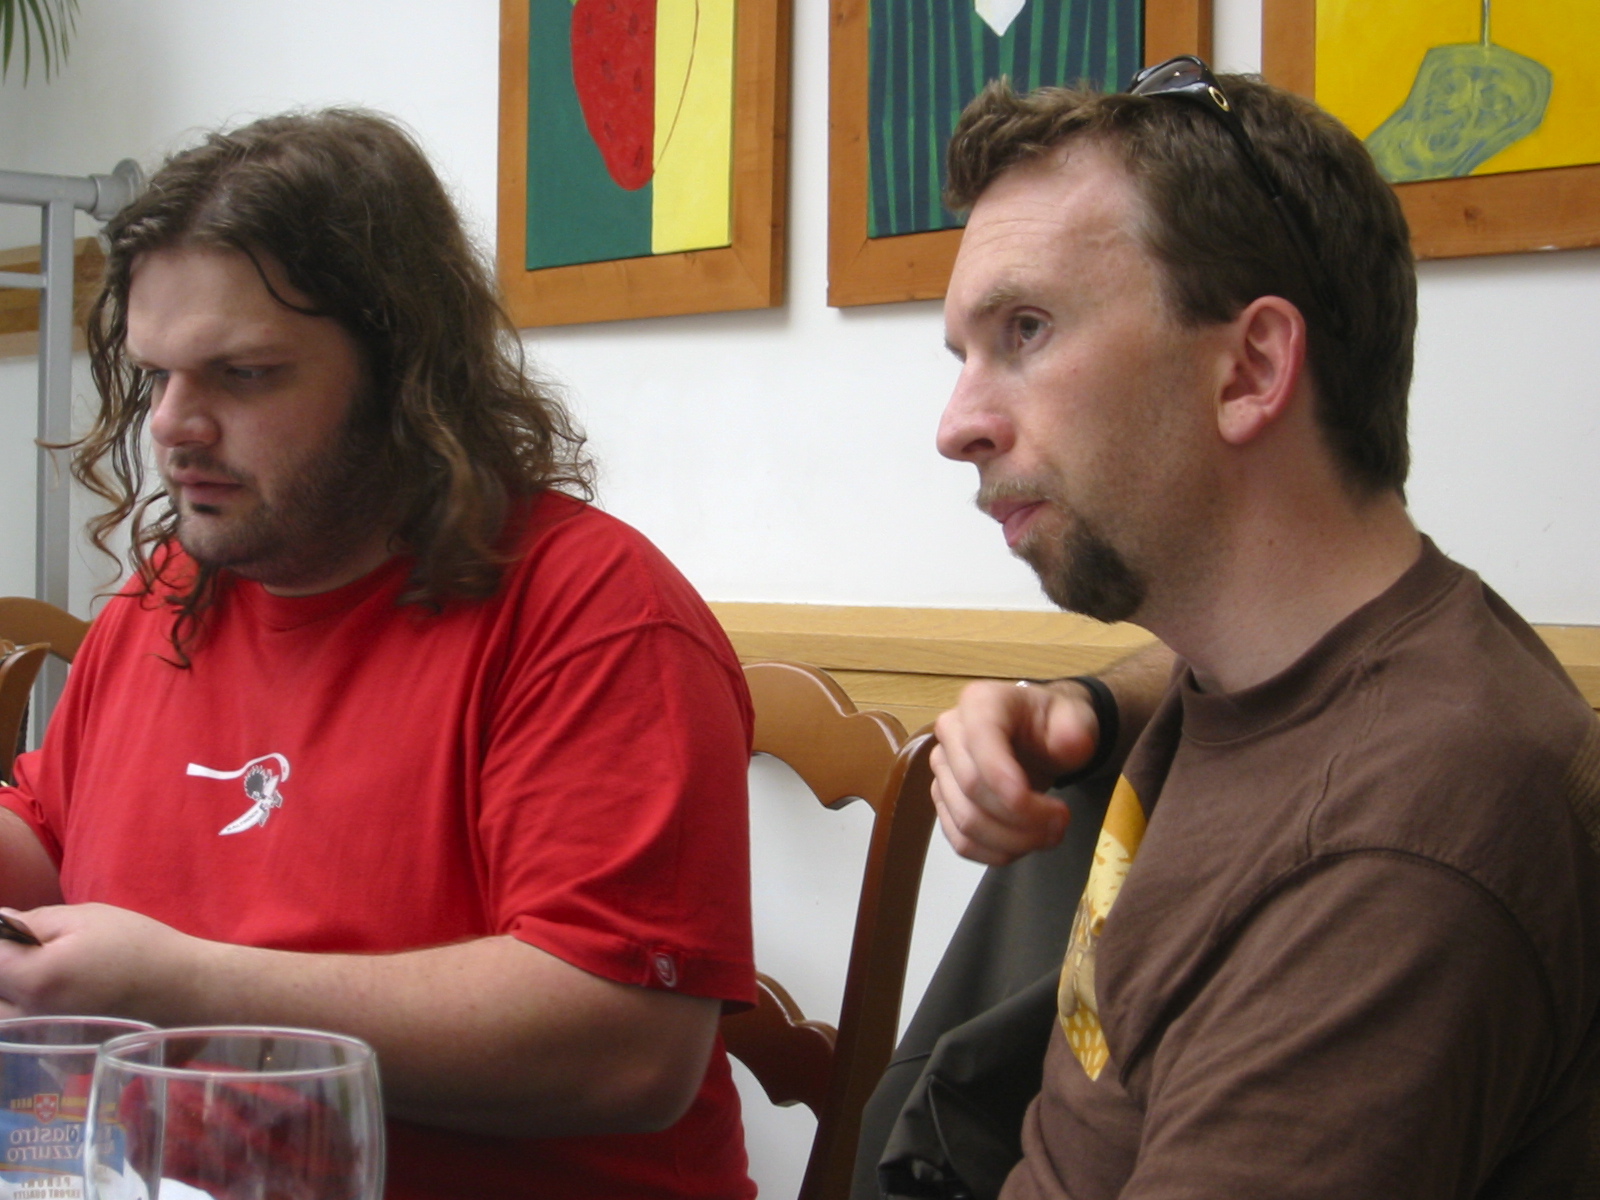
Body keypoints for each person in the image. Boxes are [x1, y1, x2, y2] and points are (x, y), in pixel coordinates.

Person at [0, 109, 758, 1200]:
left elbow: (628, 1047)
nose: (173, 425)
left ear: (404, 375)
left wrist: (180, 985)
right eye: (155, 374)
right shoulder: (164, 596)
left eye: (245, 374)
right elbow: (51, 840)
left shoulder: (592, 613)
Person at [928, 58, 1600, 1198]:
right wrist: (1082, 705)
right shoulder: (1272, 660)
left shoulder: (1397, 854)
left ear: (1250, 367)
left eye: (1026, 330)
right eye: (962, 357)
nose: (956, 426)